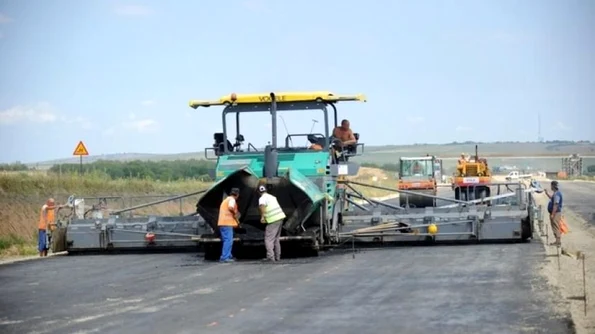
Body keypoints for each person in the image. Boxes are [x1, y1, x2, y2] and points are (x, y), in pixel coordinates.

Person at [258, 185, 286, 262]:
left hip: (273, 220)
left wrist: (262, 217)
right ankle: (277, 257)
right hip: (280, 218)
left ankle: (270, 257)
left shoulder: (262, 198)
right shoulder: (272, 197)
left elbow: (262, 206)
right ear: (266, 190)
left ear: (258, 192)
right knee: (276, 239)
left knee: (268, 239)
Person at [218, 188, 241, 262]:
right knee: (228, 241)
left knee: (227, 240)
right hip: (226, 223)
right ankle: (225, 257)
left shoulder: (226, 200)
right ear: (237, 195)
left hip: (223, 223)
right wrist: (235, 213)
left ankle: (228, 255)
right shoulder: (232, 200)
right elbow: (231, 207)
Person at [544, 180, 563, 246]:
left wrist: (552, 214)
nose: (550, 187)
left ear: (553, 186)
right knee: (554, 226)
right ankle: (557, 241)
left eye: (551, 185)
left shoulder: (557, 194)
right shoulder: (555, 193)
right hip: (555, 213)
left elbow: (555, 205)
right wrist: (546, 193)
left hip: (556, 213)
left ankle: (558, 242)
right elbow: (552, 198)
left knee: (556, 227)